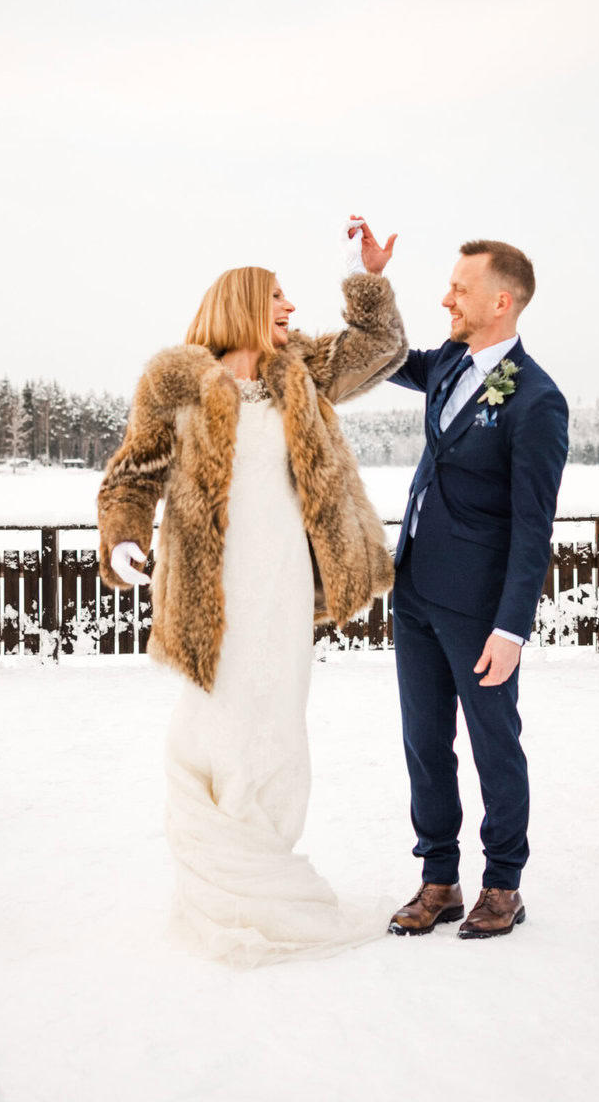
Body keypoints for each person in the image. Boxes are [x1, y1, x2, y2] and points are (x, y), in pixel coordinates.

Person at [96, 219, 407, 967]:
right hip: (214, 584)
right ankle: (229, 878)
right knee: (221, 716)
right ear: (240, 302)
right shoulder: (173, 380)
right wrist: (124, 537)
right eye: (277, 296)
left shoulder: (300, 368)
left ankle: (266, 860)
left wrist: (363, 276)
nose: (292, 307)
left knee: (279, 718)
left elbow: (383, 348)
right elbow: (131, 474)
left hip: (285, 579)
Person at [384, 239, 569, 939]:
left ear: (502, 300)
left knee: (494, 744)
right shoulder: (448, 365)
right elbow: (387, 353)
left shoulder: (538, 402)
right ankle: (438, 878)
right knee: (424, 742)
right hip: (416, 590)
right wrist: (365, 279)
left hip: (481, 608)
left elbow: (534, 526)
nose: (445, 298)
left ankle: (503, 884)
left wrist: (511, 627)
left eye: (460, 288)